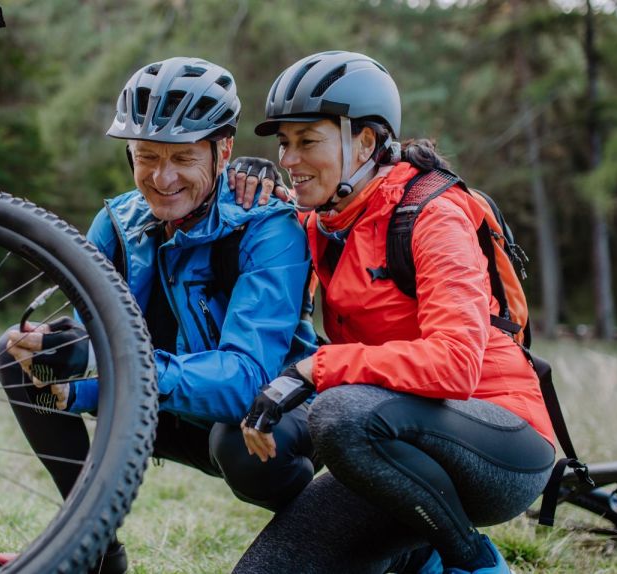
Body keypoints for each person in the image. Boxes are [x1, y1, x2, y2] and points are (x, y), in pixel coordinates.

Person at [0, 57, 319, 574]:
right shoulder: (116, 226)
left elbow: (245, 379)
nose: (162, 178)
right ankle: (91, 551)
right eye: (146, 157)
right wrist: (61, 379)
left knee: (236, 439)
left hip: (269, 418)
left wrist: (125, 371)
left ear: (223, 149)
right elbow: (98, 353)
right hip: (164, 407)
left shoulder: (268, 227)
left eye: (184, 158)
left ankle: (348, 534)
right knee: (21, 358)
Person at [234, 51, 557, 574]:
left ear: (366, 141)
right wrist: (239, 179)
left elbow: (455, 364)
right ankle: (415, 555)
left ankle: (474, 562)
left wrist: (318, 368)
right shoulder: (321, 222)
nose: (289, 159)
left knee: (339, 412)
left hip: (501, 444)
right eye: (283, 144)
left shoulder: (432, 216)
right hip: (389, 444)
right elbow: (244, 238)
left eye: (308, 141)